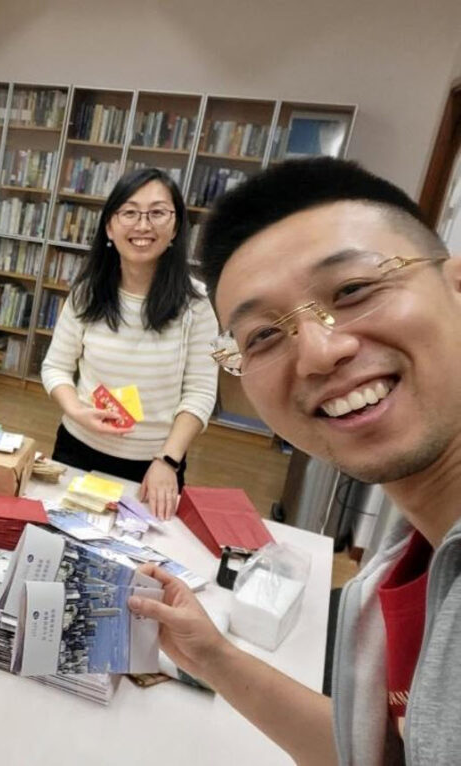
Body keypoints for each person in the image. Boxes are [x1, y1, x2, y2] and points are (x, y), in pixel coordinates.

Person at [127, 157, 461, 765]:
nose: (319, 353)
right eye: (262, 335)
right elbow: (373, 755)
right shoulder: (395, 571)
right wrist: (212, 657)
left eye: (353, 291)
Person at [41, 168, 218, 519]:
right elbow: (55, 367)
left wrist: (168, 460)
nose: (143, 225)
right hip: (77, 449)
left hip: (155, 465)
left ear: (176, 227)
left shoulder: (196, 305)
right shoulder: (87, 294)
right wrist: (76, 409)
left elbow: (200, 392)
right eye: (130, 212)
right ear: (110, 226)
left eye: (157, 212)